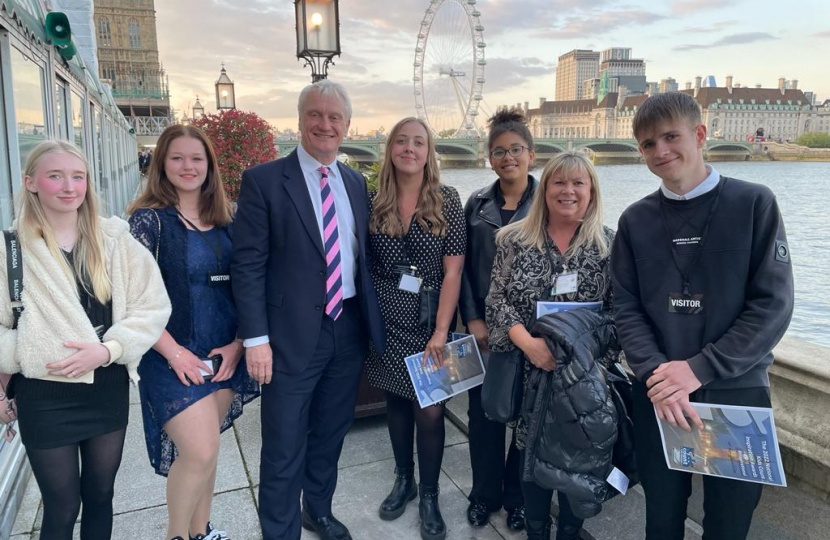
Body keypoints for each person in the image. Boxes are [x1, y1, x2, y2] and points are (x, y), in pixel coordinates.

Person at [611, 92, 794, 540]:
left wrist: (698, 369)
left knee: (729, 525)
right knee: (662, 519)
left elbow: (773, 305)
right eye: (649, 144)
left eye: (671, 137)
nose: (661, 151)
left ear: (699, 134)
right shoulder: (635, 221)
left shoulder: (754, 203)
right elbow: (625, 306)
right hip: (658, 396)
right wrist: (659, 375)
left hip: (736, 393)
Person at [231, 80, 386, 540]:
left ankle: (317, 509)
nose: (325, 124)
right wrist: (256, 339)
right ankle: (279, 531)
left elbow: (359, 257)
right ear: (300, 121)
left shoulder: (355, 181)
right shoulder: (264, 181)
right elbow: (247, 265)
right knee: (282, 443)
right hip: (289, 337)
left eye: (334, 117)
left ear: (347, 126)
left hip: (348, 330)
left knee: (330, 434)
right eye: (315, 115)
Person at [0, 140, 171, 540]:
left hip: (105, 387)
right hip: (44, 395)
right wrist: (25, 356)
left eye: (77, 176)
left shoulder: (114, 241)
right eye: (55, 176)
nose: (68, 186)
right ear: (31, 182)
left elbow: (152, 308)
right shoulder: (10, 251)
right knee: (62, 506)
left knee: (100, 495)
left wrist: (110, 349)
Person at [127, 125, 259, 540]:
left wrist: (239, 344)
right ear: (162, 164)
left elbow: (250, 284)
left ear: (210, 166)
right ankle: (176, 536)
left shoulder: (230, 217)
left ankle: (202, 531)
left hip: (223, 351)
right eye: (178, 158)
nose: (188, 166)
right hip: (171, 355)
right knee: (199, 450)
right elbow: (132, 299)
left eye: (197, 159)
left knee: (209, 449)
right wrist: (174, 353)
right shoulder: (148, 222)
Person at [486, 151, 615, 540]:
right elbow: (496, 301)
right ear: (546, 189)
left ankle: (571, 531)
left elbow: (619, 314)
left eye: (579, 182)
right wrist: (529, 345)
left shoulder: (609, 246)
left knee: (581, 458)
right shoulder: (513, 240)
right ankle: (537, 530)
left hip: (585, 380)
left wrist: (585, 357)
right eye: (559, 182)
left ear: (591, 190)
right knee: (530, 456)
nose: (568, 190)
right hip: (531, 373)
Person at [365, 117, 465, 540]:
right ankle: (403, 480)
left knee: (431, 411)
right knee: (398, 405)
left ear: (429, 151)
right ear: (390, 149)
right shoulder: (372, 202)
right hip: (387, 320)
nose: (409, 148)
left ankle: (428, 494)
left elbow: (454, 272)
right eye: (401, 141)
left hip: (429, 322)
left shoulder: (447, 199)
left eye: (418, 142)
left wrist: (441, 332)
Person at [458, 106, 536, 531]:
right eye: (499, 151)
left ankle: (518, 497)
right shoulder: (477, 204)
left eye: (516, 149)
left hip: (530, 334)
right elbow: (465, 269)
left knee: (527, 418)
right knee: (483, 416)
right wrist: (473, 320)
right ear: (489, 157)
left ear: (531, 153)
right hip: (485, 334)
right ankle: (483, 494)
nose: (508, 158)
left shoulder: (548, 200)